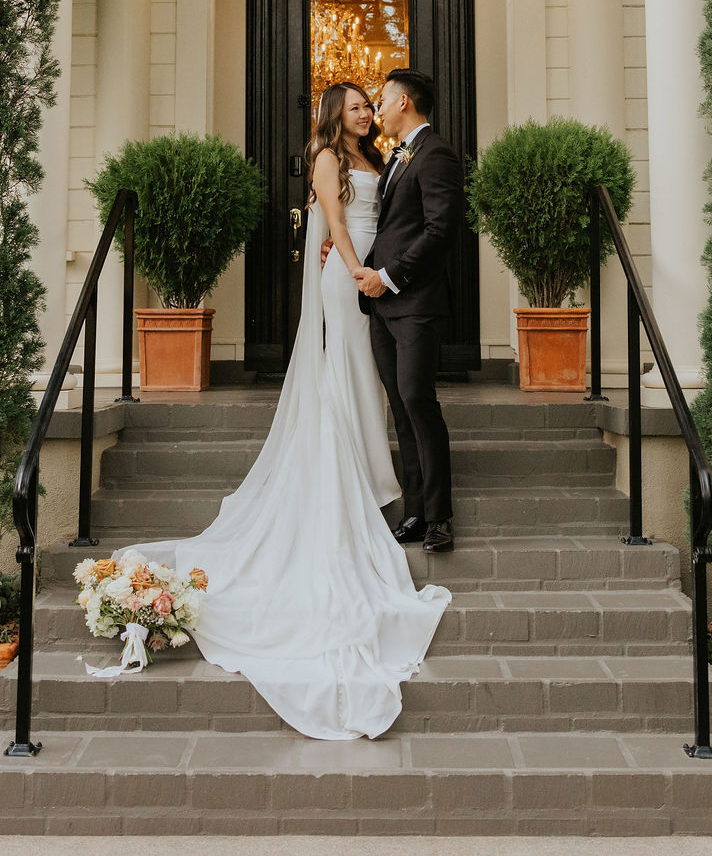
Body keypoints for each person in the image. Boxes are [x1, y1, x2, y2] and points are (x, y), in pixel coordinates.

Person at [123, 81, 450, 740]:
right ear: (337, 114)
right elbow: (333, 220)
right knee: (351, 374)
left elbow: (396, 220)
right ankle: (358, 477)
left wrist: (372, 268)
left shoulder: (387, 161)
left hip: (373, 281)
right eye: (357, 105)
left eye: (372, 104)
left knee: (369, 380)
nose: (366, 112)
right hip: (347, 280)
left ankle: (375, 475)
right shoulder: (326, 156)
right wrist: (357, 269)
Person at [355, 68, 462, 554]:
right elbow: (395, 225)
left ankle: (440, 517)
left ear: (403, 102)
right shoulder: (399, 156)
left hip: (413, 301)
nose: (377, 110)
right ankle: (415, 510)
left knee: (419, 401)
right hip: (383, 307)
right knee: (400, 407)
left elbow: (439, 231)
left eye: (381, 101)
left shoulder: (436, 153)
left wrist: (389, 275)